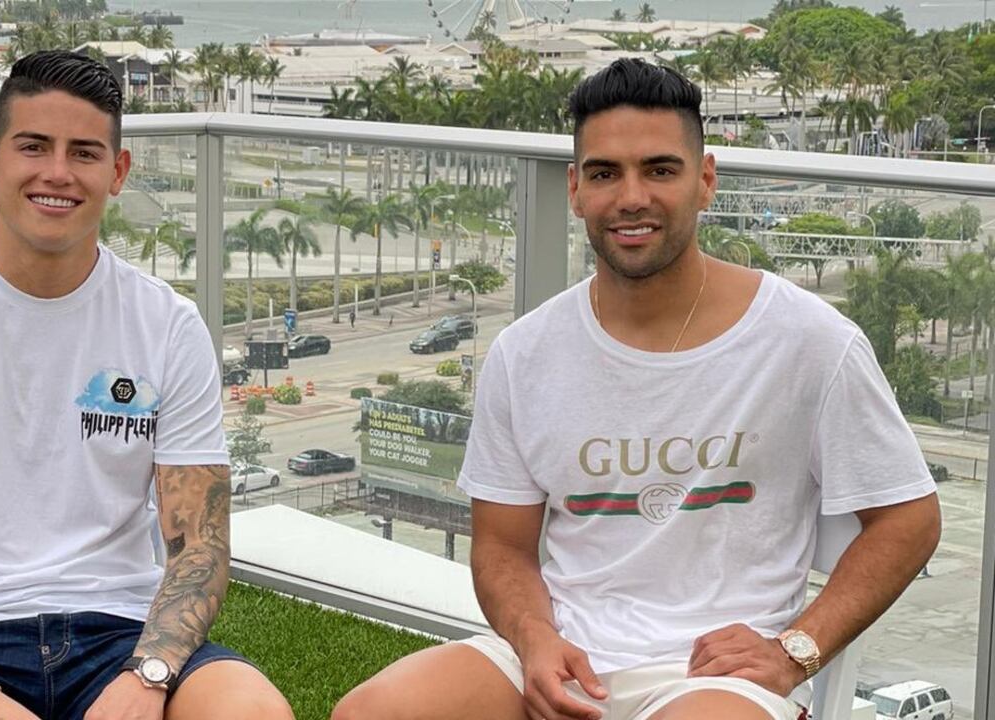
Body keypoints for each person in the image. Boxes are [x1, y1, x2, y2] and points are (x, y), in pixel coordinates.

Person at [332, 58, 940, 720]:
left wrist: (796, 651)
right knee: (370, 712)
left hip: (715, 680)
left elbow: (909, 518)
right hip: (566, 653)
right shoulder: (526, 352)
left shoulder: (808, 340)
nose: (631, 197)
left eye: (660, 170)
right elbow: (502, 547)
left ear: (705, 181)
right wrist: (535, 641)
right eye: (604, 173)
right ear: (575, 189)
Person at [0, 51, 293, 720]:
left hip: (121, 634)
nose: (57, 172)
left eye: (84, 152)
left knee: (251, 711)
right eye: (33, 146)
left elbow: (200, 544)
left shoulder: (166, 324)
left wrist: (150, 675)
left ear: (118, 171)